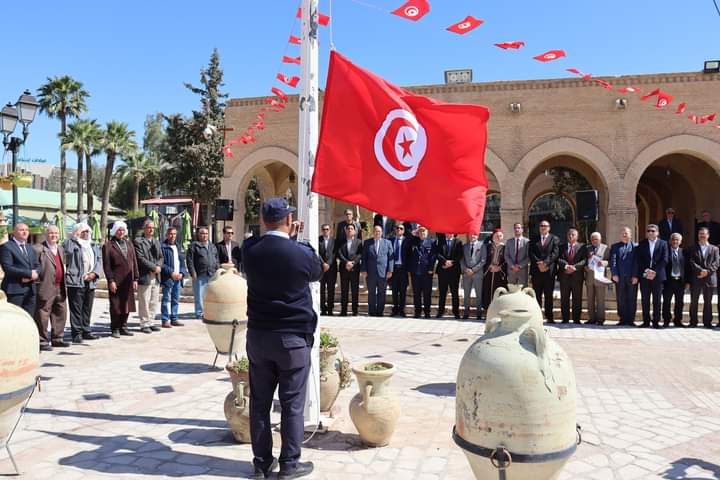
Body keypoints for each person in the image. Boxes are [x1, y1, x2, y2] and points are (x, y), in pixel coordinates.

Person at [242, 197, 322, 479]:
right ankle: (289, 464)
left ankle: (262, 463)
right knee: (292, 405)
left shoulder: (250, 251)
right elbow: (317, 269)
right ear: (289, 221)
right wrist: (297, 240)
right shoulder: (300, 253)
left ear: (263, 220)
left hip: (260, 337)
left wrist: (287, 237)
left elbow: (255, 244)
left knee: (260, 404)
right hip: (292, 340)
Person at [64, 223, 101, 343]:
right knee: (76, 308)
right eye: (83, 232)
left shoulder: (93, 245)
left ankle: (86, 330)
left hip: (90, 281)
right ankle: (77, 333)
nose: (85, 234)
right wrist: (74, 236)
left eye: (87, 231)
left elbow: (99, 260)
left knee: (87, 307)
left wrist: (94, 273)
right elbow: (67, 251)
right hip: (76, 280)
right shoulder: (71, 243)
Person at [33, 225, 68, 351]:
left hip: (60, 286)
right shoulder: (38, 249)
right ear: (46, 234)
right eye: (51, 233)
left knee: (60, 313)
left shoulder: (61, 249)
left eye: (56, 233)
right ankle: (42, 341)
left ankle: (57, 339)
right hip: (45, 286)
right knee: (43, 315)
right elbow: (34, 267)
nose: (54, 236)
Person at [102, 221, 139, 338]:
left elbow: (134, 262)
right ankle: (115, 328)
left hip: (128, 280)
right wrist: (110, 280)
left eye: (123, 230)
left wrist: (135, 278)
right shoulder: (108, 245)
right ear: (114, 231)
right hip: (116, 280)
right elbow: (106, 265)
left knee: (127, 304)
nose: (121, 232)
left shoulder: (129, 244)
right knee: (115, 305)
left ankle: (124, 326)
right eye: (119, 230)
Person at [633, 224, 669, 328]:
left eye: (653, 231)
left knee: (657, 299)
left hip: (658, 276)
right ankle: (646, 321)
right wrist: (647, 271)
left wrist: (654, 271)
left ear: (657, 232)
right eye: (648, 231)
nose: (650, 233)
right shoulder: (642, 244)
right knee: (645, 299)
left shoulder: (663, 244)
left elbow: (665, 259)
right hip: (645, 276)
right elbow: (639, 259)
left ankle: (656, 321)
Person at [0, 223, 40, 315]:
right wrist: (29, 274)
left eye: (27, 230)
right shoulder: (6, 247)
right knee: (15, 318)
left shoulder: (30, 247)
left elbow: (37, 265)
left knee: (29, 318)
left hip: (31, 290)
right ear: (14, 232)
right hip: (15, 290)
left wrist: (34, 274)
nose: (25, 232)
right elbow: (8, 268)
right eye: (21, 230)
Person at [134, 219, 163, 334]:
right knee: (144, 301)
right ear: (144, 229)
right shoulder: (138, 241)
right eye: (149, 227)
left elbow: (161, 257)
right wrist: (153, 267)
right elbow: (140, 258)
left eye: (153, 228)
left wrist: (158, 267)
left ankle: (151, 321)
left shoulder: (156, 242)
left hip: (156, 275)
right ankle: (144, 323)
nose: (151, 230)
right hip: (145, 274)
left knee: (154, 301)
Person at [687, 227, 719, 328]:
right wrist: (701, 271)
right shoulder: (692, 248)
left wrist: (707, 272)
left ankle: (707, 322)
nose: (702, 235)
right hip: (697, 277)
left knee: (708, 301)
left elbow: (717, 263)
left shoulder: (715, 249)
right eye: (700, 234)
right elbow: (691, 262)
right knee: (694, 301)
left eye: (704, 234)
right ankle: (693, 322)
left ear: (708, 235)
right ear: (698, 235)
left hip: (710, 279)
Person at [529, 221, 560, 323]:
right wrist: (539, 263)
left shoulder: (554, 238)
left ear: (549, 228)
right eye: (541, 225)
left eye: (545, 226)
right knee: (536, 294)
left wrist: (545, 263)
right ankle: (537, 316)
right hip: (536, 271)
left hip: (549, 271)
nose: (543, 227)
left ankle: (549, 316)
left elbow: (555, 253)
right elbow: (531, 253)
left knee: (548, 294)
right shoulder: (534, 239)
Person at [186, 226, 219, 319]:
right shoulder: (194, 246)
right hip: (200, 274)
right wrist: (193, 273)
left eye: (206, 233)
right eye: (202, 233)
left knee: (210, 295)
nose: (204, 235)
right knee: (199, 295)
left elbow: (216, 259)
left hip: (212, 274)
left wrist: (217, 270)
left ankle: (209, 312)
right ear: (198, 235)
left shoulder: (212, 246)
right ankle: (199, 313)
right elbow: (190, 261)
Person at [361, 225, 394, 317]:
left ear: (382, 232)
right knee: (371, 292)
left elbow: (391, 258)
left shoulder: (387, 243)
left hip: (383, 272)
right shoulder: (367, 243)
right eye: (375, 231)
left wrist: (390, 270)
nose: (377, 233)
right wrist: (363, 269)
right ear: (373, 232)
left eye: (379, 231)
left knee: (382, 292)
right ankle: (372, 311)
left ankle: (380, 312)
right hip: (370, 272)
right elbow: (364, 257)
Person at [557, 228, 587, 324]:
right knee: (564, 298)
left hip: (577, 276)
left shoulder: (582, 247)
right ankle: (565, 318)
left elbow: (584, 260)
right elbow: (558, 258)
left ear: (577, 236)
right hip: (564, 276)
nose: (571, 236)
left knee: (577, 298)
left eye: (573, 234)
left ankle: (576, 319)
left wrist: (575, 267)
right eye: (569, 234)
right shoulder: (561, 247)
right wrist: (566, 266)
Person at [610, 227, 638, 326]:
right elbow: (613, 261)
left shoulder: (635, 247)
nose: (624, 235)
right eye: (623, 233)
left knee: (632, 298)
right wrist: (614, 274)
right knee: (621, 298)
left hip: (632, 277)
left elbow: (636, 262)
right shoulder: (615, 247)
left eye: (626, 233)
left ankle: (630, 320)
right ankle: (622, 318)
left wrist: (635, 276)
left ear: (630, 235)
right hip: (619, 277)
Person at [160, 227, 188, 328]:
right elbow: (161, 263)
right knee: (166, 299)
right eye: (171, 234)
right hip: (168, 278)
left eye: (174, 234)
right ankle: (165, 319)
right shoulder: (162, 247)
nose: (173, 236)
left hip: (178, 278)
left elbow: (182, 263)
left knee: (175, 299)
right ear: (167, 235)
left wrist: (182, 273)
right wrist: (171, 273)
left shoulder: (178, 247)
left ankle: (174, 318)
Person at [408, 226, 436, 318]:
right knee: (416, 293)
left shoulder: (431, 242)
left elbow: (433, 257)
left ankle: (427, 312)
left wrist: (431, 268)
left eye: (424, 232)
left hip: (426, 272)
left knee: (427, 293)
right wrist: (412, 235)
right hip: (415, 272)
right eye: (420, 232)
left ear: (427, 232)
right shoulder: (414, 241)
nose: (422, 233)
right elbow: (406, 245)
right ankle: (418, 311)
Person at [584, 232, 610, 325]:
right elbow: (584, 260)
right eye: (593, 239)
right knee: (590, 299)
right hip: (590, 277)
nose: (595, 241)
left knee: (600, 299)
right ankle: (591, 319)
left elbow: (610, 261)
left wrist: (603, 263)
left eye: (596, 239)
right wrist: (585, 266)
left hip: (600, 277)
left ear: (600, 239)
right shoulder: (587, 248)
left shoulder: (606, 248)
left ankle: (600, 319)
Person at [435, 233, 462, 318]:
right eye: (447, 232)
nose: (448, 233)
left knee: (454, 293)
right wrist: (445, 262)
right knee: (442, 292)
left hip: (454, 271)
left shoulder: (458, 242)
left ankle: (456, 312)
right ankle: (440, 311)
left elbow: (460, 255)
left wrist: (451, 263)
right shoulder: (441, 241)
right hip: (443, 270)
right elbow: (437, 253)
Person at [337, 223, 362, 316]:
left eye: (352, 229)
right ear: (345, 231)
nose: (350, 230)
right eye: (348, 229)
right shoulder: (340, 241)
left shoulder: (359, 242)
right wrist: (346, 262)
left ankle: (355, 311)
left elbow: (360, 254)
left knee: (355, 291)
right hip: (344, 269)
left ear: (355, 231)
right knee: (344, 291)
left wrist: (353, 263)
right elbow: (339, 253)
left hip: (354, 269)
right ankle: (343, 311)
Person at [662, 233, 687, 328]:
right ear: (670, 241)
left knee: (680, 302)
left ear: (680, 242)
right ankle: (666, 320)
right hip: (669, 281)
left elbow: (687, 268)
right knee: (666, 302)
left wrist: (687, 282)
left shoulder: (684, 252)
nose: (675, 241)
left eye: (677, 240)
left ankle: (678, 320)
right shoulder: (666, 252)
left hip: (680, 281)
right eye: (673, 239)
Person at [460, 233, 485, 319]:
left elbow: (483, 260)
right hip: (466, 273)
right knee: (466, 294)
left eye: (474, 235)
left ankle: (479, 313)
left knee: (479, 294)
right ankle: (466, 312)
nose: (472, 237)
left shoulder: (482, 246)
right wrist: (465, 269)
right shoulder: (464, 246)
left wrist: (473, 270)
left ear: (477, 236)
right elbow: (461, 259)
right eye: (470, 235)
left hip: (477, 273)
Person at [482, 229, 507, 311]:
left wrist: (499, 268)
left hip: (500, 273)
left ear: (502, 237)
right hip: (489, 271)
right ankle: (487, 310)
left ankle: (498, 310)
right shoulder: (487, 247)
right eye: (496, 236)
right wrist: (490, 266)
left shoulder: (506, 248)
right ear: (492, 237)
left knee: (499, 291)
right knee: (487, 290)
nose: (498, 237)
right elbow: (484, 258)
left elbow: (507, 260)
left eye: (500, 236)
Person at [390, 224, 412, 317]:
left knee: (403, 290)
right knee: (394, 290)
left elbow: (410, 255)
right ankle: (395, 309)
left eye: (401, 228)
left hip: (403, 269)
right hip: (394, 269)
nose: (399, 229)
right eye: (397, 228)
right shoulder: (390, 240)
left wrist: (409, 270)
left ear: (403, 231)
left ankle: (402, 310)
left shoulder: (407, 240)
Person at [318, 224, 337, 316]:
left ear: (330, 230)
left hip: (331, 268)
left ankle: (330, 309)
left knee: (331, 289)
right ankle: (323, 309)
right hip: (321, 269)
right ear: (322, 230)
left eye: (327, 229)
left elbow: (334, 253)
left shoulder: (334, 240)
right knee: (321, 290)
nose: (325, 231)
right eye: (324, 229)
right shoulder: (318, 240)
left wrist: (328, 264)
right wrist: (323, 263)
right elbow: (317, 253)